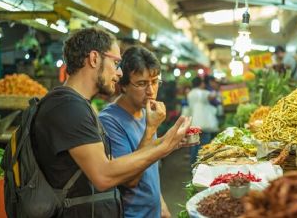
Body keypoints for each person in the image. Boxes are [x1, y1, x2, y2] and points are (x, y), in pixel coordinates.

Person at [31, 28, 191, 217]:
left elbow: (115, 165)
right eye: (115, 63)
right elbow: (104, 176)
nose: (119, 72)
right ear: (94, 59)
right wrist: (164, 146)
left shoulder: (78, 105)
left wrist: (164, 143)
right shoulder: (69, 108)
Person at [98, 45, 173, 217]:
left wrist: (161, 206)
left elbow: (149, 166)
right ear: (123, 85)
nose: (151, 91)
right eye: (141, 84)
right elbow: (130, 180)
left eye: (155, 82)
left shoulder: (147, 114)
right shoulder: (109, 121)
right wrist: (151, 128)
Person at [187, 76, 219, 164]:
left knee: (194, 145)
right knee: (204, 145)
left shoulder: (190, 94)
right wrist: (215, 88)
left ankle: (193, 164)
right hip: (204, 123)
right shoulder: (202, 93)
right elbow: (213, 96)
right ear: (201, 84)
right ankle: (202, 164)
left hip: (194, 122)